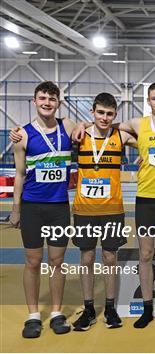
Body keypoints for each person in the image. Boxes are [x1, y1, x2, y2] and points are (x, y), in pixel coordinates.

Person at [9, 81, 77, 338]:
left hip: (59, 206)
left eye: (52, 98)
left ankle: (58, 312)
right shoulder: (22, 135)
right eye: (42, 98)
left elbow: (85, 128)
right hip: (32, 207)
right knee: (33, 261)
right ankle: (33, 315)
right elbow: (18, 174)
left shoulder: (67, 125)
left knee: (57, 262)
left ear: (58, 102)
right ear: (35, 101)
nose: (47, 102)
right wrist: (16, 209)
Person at [70, 93, 137, 331]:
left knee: (110, 258)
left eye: (109, 114)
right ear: (92, 112)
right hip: (84, 209)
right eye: (100, 113)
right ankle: (88, 309)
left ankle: (110, 307)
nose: (105, 118)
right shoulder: (79, 135)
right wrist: (81, 125)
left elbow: (150, 136)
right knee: (86, 258)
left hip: (113, 209)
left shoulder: (121, 135)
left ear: (115, 115)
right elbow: (60, 125)